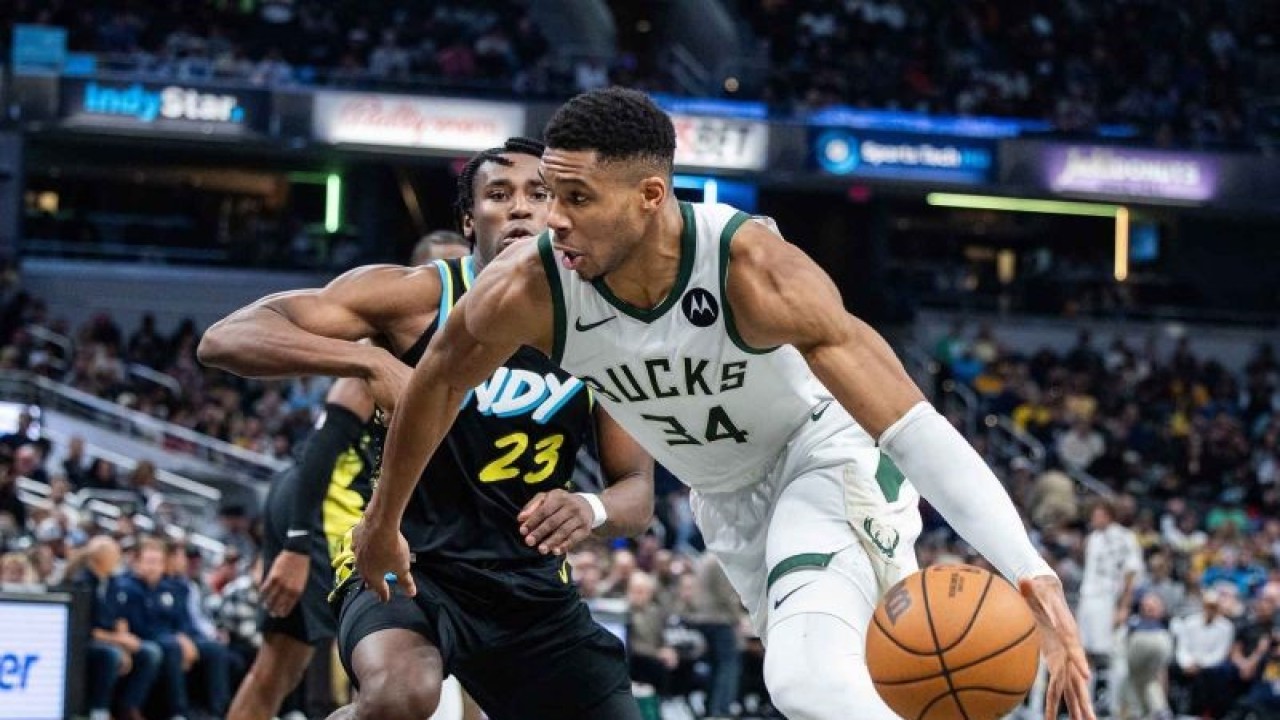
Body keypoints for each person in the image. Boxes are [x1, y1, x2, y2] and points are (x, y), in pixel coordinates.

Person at [354, 87, 1096, 720]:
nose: (553, 220)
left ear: (650, 197)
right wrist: (384, 522)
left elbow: (910, 426)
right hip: (725, 499)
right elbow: (437, 383)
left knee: (806, 681)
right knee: (834, 686)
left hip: (822, 458)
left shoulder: (752, 269)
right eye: (553, 194)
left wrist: (1031, 572)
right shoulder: (533, 285)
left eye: (577, 198)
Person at [199, 137, 654, 720]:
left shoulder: (602, 327)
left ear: (561, 213)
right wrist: (366, 360)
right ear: (470, 220)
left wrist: (590, 508)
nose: (519, 207)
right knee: (399, 695)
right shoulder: (418, 297)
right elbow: (225, 338)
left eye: (538, 194)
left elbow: (636, 493)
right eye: (498, 194)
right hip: (408, 563)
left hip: (529, 586)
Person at [70, 535, 161, 720]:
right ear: (101, 558)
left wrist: (125, 640)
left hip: (111, 639)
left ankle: (129, 705)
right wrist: (118, 643)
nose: (119, 559)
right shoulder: (82, 583)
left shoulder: (112, 582)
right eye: (115, 554)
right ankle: (98, 709)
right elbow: (83, 629)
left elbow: (120, 617)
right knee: (111, 655)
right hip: (88, 641)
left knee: (149, 652)